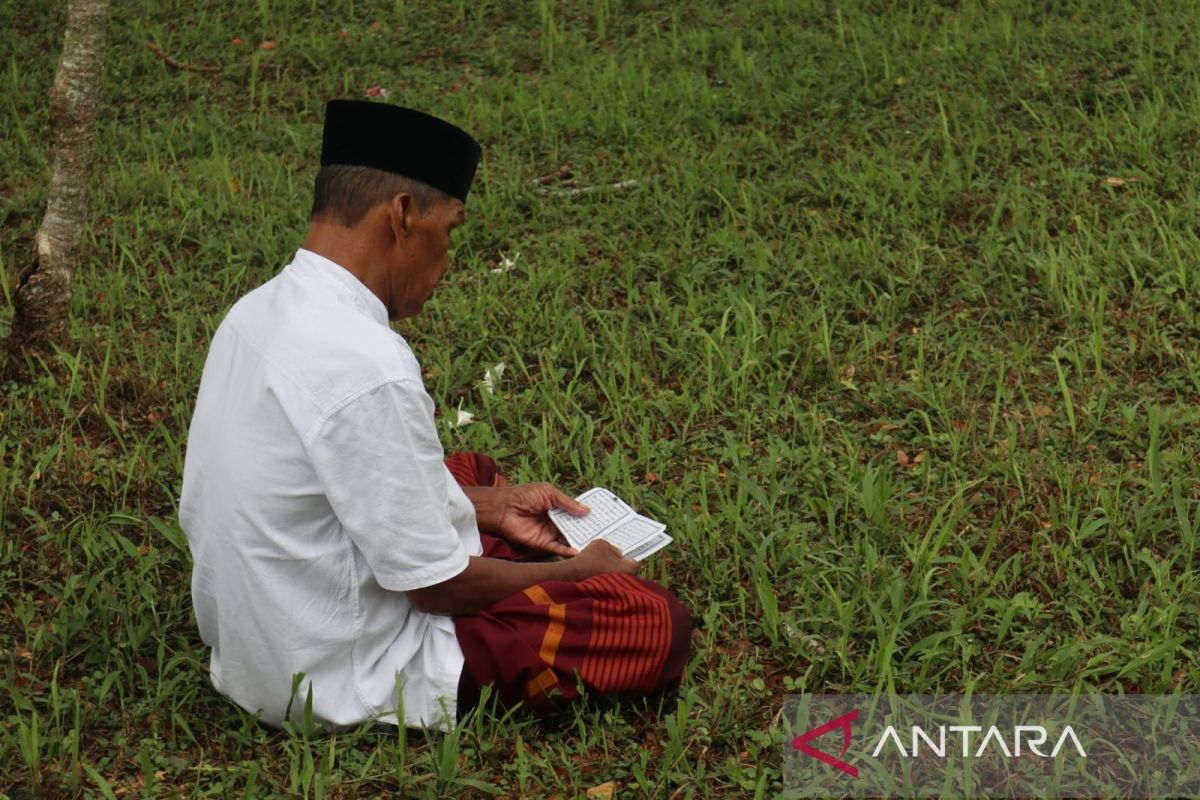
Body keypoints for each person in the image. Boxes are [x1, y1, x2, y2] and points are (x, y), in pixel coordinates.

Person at [178, 100, 691, 731]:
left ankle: (499, 528)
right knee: (648, 620)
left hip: (257, 643)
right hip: (333, 673)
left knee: (471, 472)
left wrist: (491, 506)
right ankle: (541, 581)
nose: (448, 259)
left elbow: (329, 486)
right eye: (450, 231)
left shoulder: (256, 311)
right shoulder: (365, 363)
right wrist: (581, 572)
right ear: (401, 215)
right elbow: (434, 589)